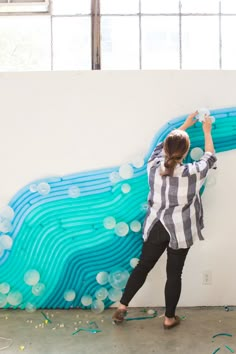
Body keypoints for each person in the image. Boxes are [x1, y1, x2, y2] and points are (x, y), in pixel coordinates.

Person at [112, 111, 217, 329]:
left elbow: (160, 147)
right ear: (186, 152)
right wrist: (206, 130)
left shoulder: (153, 166)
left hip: (156, 225)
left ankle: (122, 307)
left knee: (143, 266)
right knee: (174, 274)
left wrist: (184, 126)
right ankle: (169, 318)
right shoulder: (192, 172)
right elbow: (210, 156)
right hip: (179, 230)